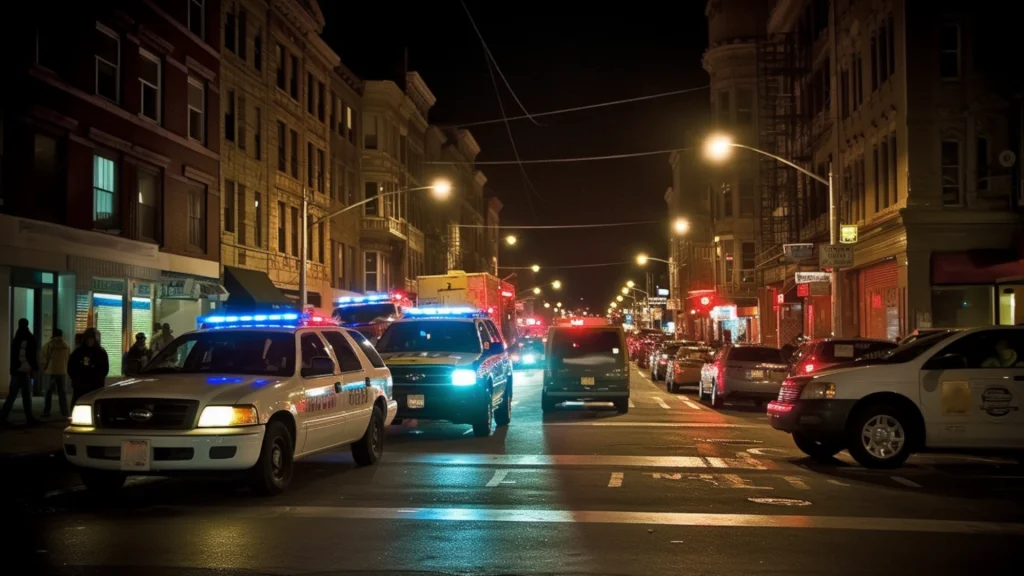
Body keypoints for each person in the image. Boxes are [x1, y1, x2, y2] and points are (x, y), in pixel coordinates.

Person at [1, 319, 39, 426]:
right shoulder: (29, 338)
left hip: (16, 371)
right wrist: (34, 369)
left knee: (12, 396)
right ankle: (29, 417)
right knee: (26, 396)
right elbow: (32, 356)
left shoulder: (16, 338)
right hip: (25, 371)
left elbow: (14, 357)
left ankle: (3, 417)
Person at [68, 328, 109, 405]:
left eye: (91, 339)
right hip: (80, 385)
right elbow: (71, 367)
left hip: (95, 385)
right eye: (88, 339)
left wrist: (99, 377)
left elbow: (104, 369)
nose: (89, 341)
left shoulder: (100, 352)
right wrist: (75, 379)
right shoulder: (78, 352)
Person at [41, 328, 71, 418]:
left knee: (48, 392)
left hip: (50, 371)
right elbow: (68, 358)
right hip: (62, 371)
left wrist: (43, 367)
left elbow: (43, 358)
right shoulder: (66, 346)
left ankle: (46, 411)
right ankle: (64, 412)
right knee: (62, 392)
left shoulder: (48, 345)